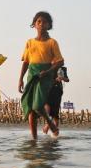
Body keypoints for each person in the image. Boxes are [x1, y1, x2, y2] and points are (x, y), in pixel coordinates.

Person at [19, 11, 65, 139]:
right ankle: (34, 140)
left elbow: (60, 61)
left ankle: (51, 124)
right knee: (30, 108)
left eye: (44, 22)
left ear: (49, 25)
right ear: (34, 24)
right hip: (32, 74)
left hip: (45, 75)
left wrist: (48, 71)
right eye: (38, 21)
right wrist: (20, 79)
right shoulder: (29, 42)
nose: (41, 24)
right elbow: (26, 62)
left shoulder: (52, 42)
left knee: (38, 106)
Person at [43, 66, 70, 134]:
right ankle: (48, 125)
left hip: (57, 91)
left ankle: (54, 133)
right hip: (48, 90)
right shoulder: (47, 65)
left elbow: (67, 79)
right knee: (47, 107)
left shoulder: (62, 68)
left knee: (55, 112)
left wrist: (62, 78)